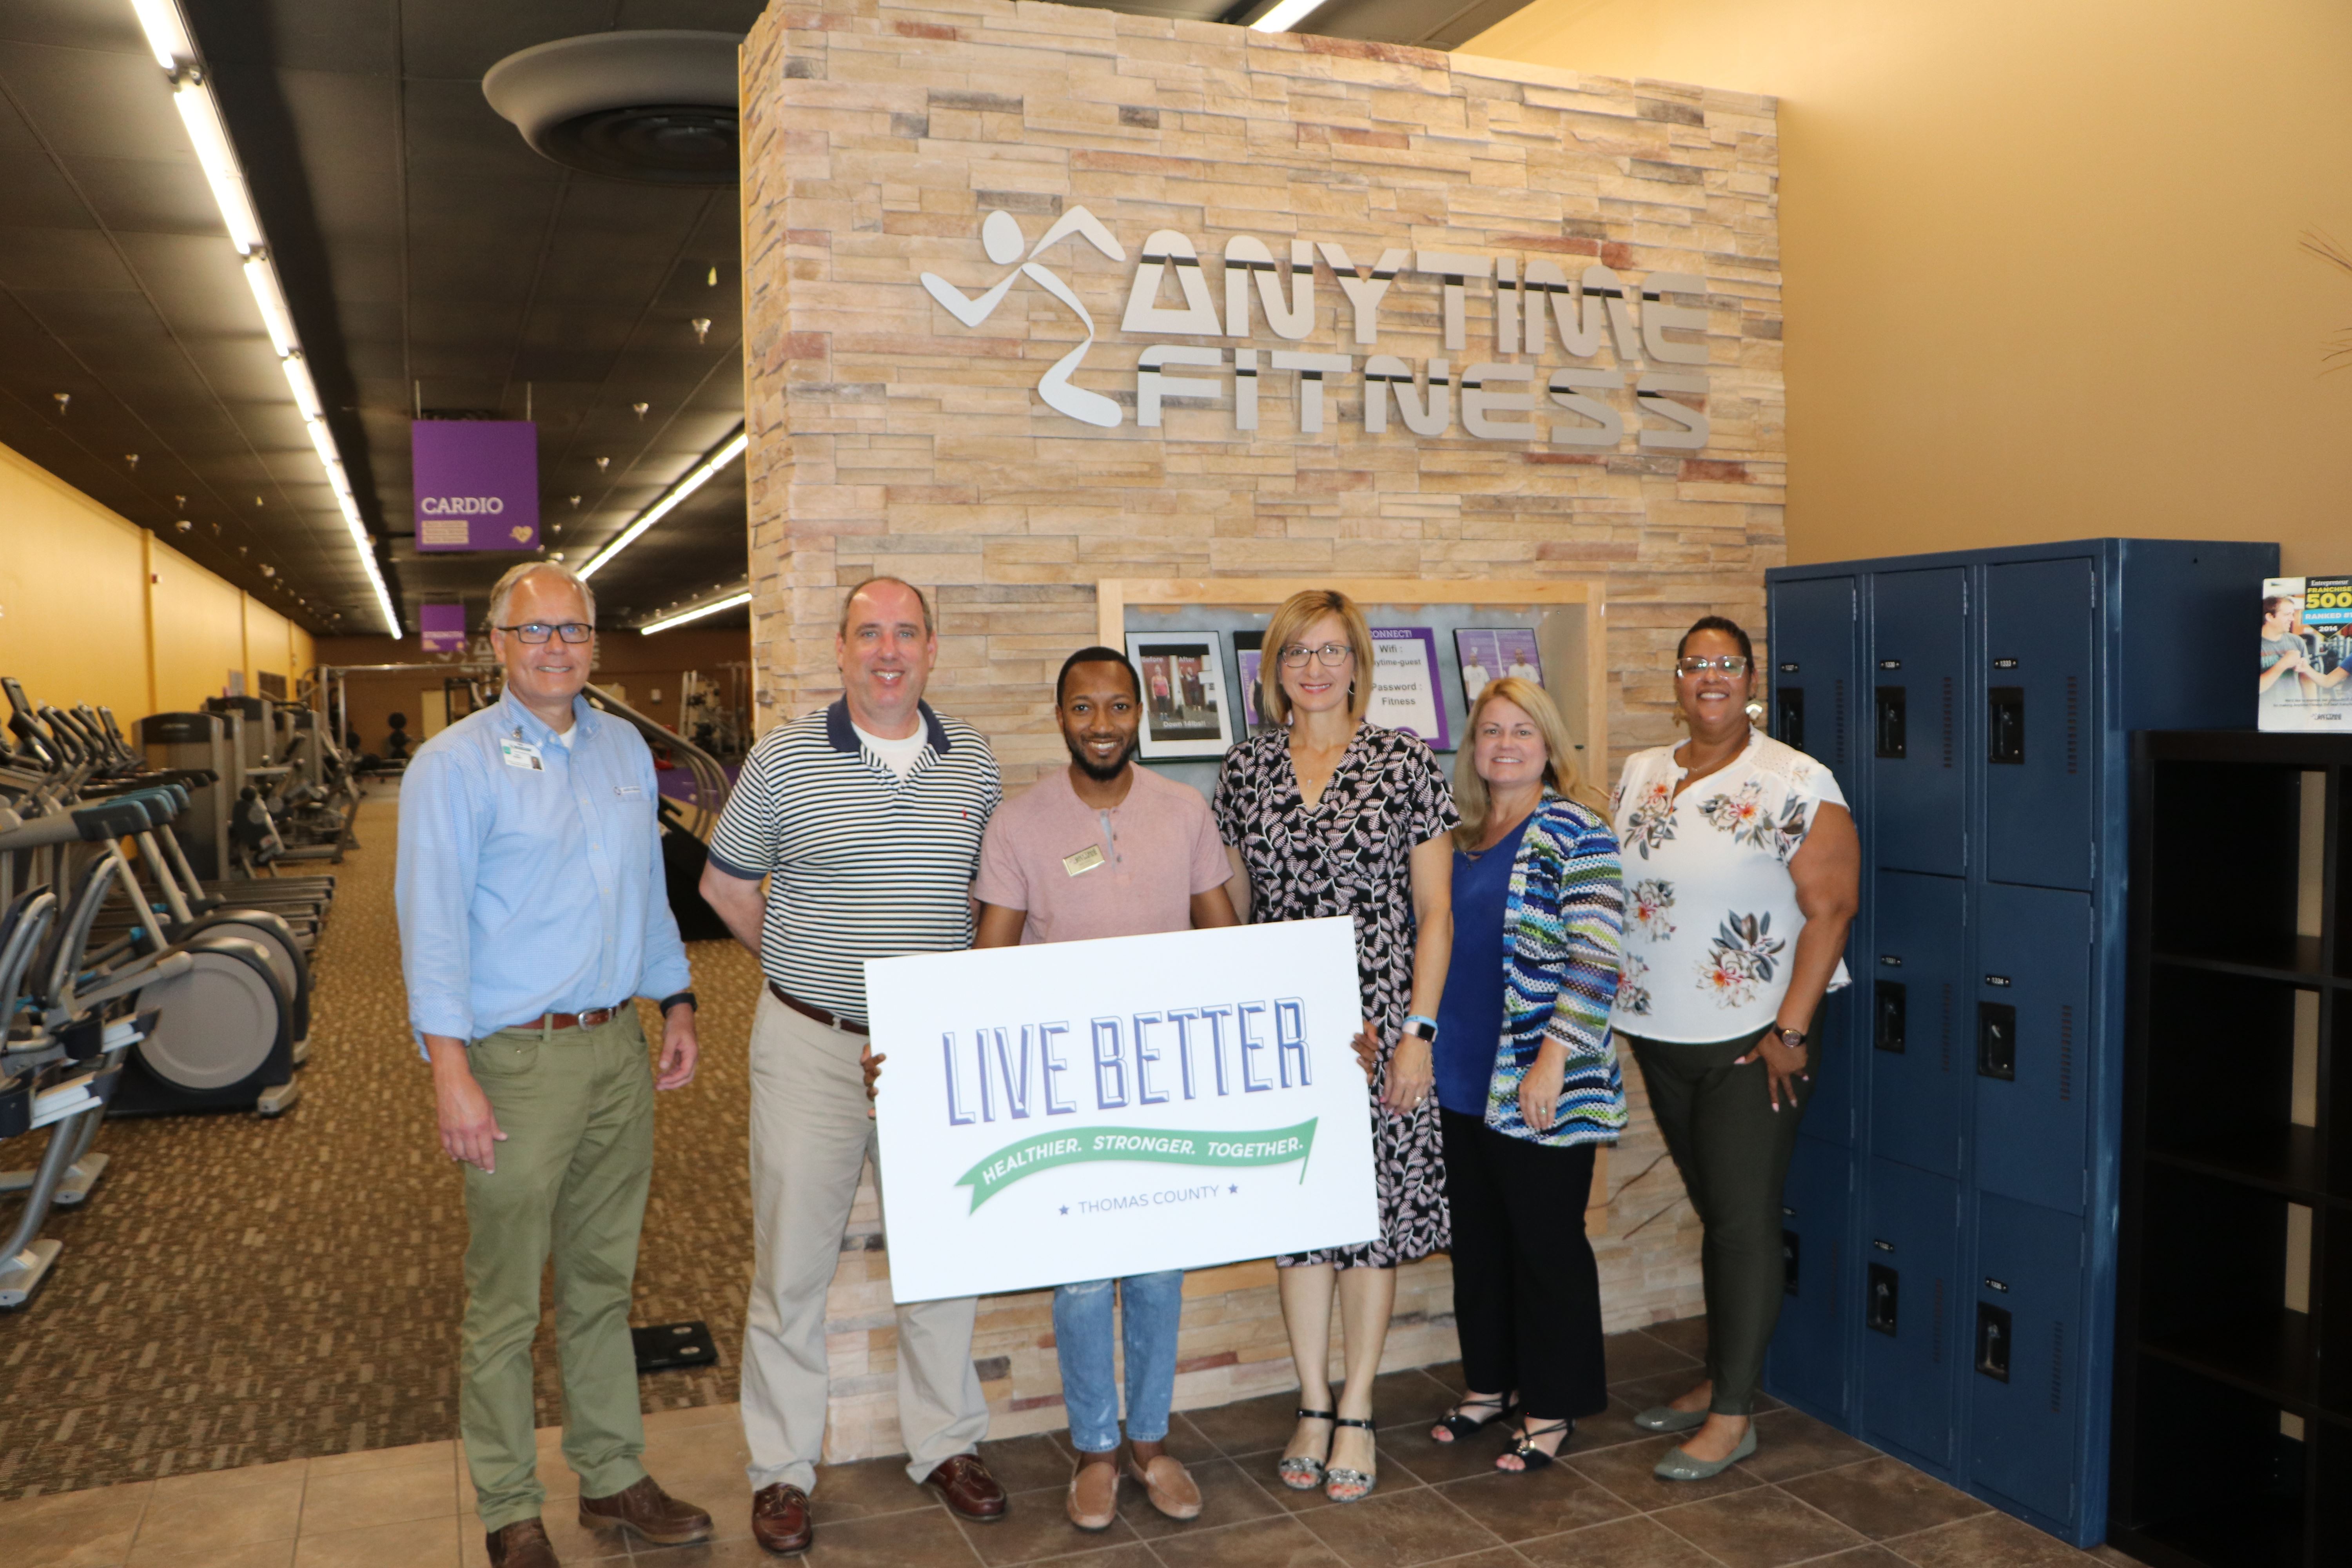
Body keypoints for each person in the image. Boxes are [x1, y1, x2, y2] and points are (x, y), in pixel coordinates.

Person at [397, 561, 710, 1568]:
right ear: (497, 644)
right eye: (534, 633)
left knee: (602, 1277)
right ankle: (509, 1505)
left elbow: (650, 898)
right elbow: (432, 930)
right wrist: (450, 1070)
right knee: (505, 1297)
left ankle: (612, 1474)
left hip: (618, 1047)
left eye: (572, 630)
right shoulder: (454, 765)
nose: (556, 648)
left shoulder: (623, 748)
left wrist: (678, 998)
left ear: (593, 642)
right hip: (514, 1062)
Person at [697, 577, 1008, 1556]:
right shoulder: (786, 759)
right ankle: (783, 1467)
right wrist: (805, 977)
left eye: (906, 632)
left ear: (930, 649)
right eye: (869, 632)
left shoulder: (974, 764)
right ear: (840, 649)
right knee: (792, 1264)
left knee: (943, 1256)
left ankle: (945, 1441)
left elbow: (987, 896)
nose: (888, 650)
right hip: (810, 1043)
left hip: (933, 1050)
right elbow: (726, 884)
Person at [953, 647, 1239, 1529]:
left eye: (1119, 706)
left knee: (1157, 1269)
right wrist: (926, 1049)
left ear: (1142, 714)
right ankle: (1096, 1448)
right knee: (1080, 1280)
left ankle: (1151, 1441)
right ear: (1061, 716)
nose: (1104, 724)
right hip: (1065, 1090)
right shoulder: (1019, 821)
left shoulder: (1184, 810)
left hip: (1163, 1087)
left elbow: (1229, 944)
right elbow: (989, 961)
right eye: (1086, 708)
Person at [1212, 587, 1457, 1504]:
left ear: (1359, 662)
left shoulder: (1405, 765)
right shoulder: (1245, 772)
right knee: (1303, 1217)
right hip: (1286, 1025)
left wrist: (1416, 1034)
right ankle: (1310, 1398)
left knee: (1374, 1218)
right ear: (1273, 671)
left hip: (1383, 1020)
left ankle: (1358, 1402)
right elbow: (1231, 911)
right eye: (1295, 654)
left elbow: (1435, 915)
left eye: (1330, 651)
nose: (1314, 668)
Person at [1610, 615, 1860, 1481]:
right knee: (1717, 1210)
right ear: (1675, 679)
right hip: (1659, 1029)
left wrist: (1792, 1028)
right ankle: (1724, 1373)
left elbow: (1831, 908)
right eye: (1693, 663)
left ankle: (1733, 1413)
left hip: (1753, 1041)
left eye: (1726, 663)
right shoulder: (1642, 772)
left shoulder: (1796, 778)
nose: (1708, 676)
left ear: (1750, 679)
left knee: (1746, 1218)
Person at [1421, 679, 1625, 1474]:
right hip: (1462, 1072)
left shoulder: (1580, 830)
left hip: (1540, 1077)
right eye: (1489, 731)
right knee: (1478, 1244)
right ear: (1472, 747)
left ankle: (1552, 1404)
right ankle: (1491, 1384)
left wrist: (1552, 1060)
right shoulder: (1462, 834)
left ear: (1549, 742)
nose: (1504, 744)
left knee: (1546, 1246)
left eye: (1522, 731)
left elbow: (1597, 959)